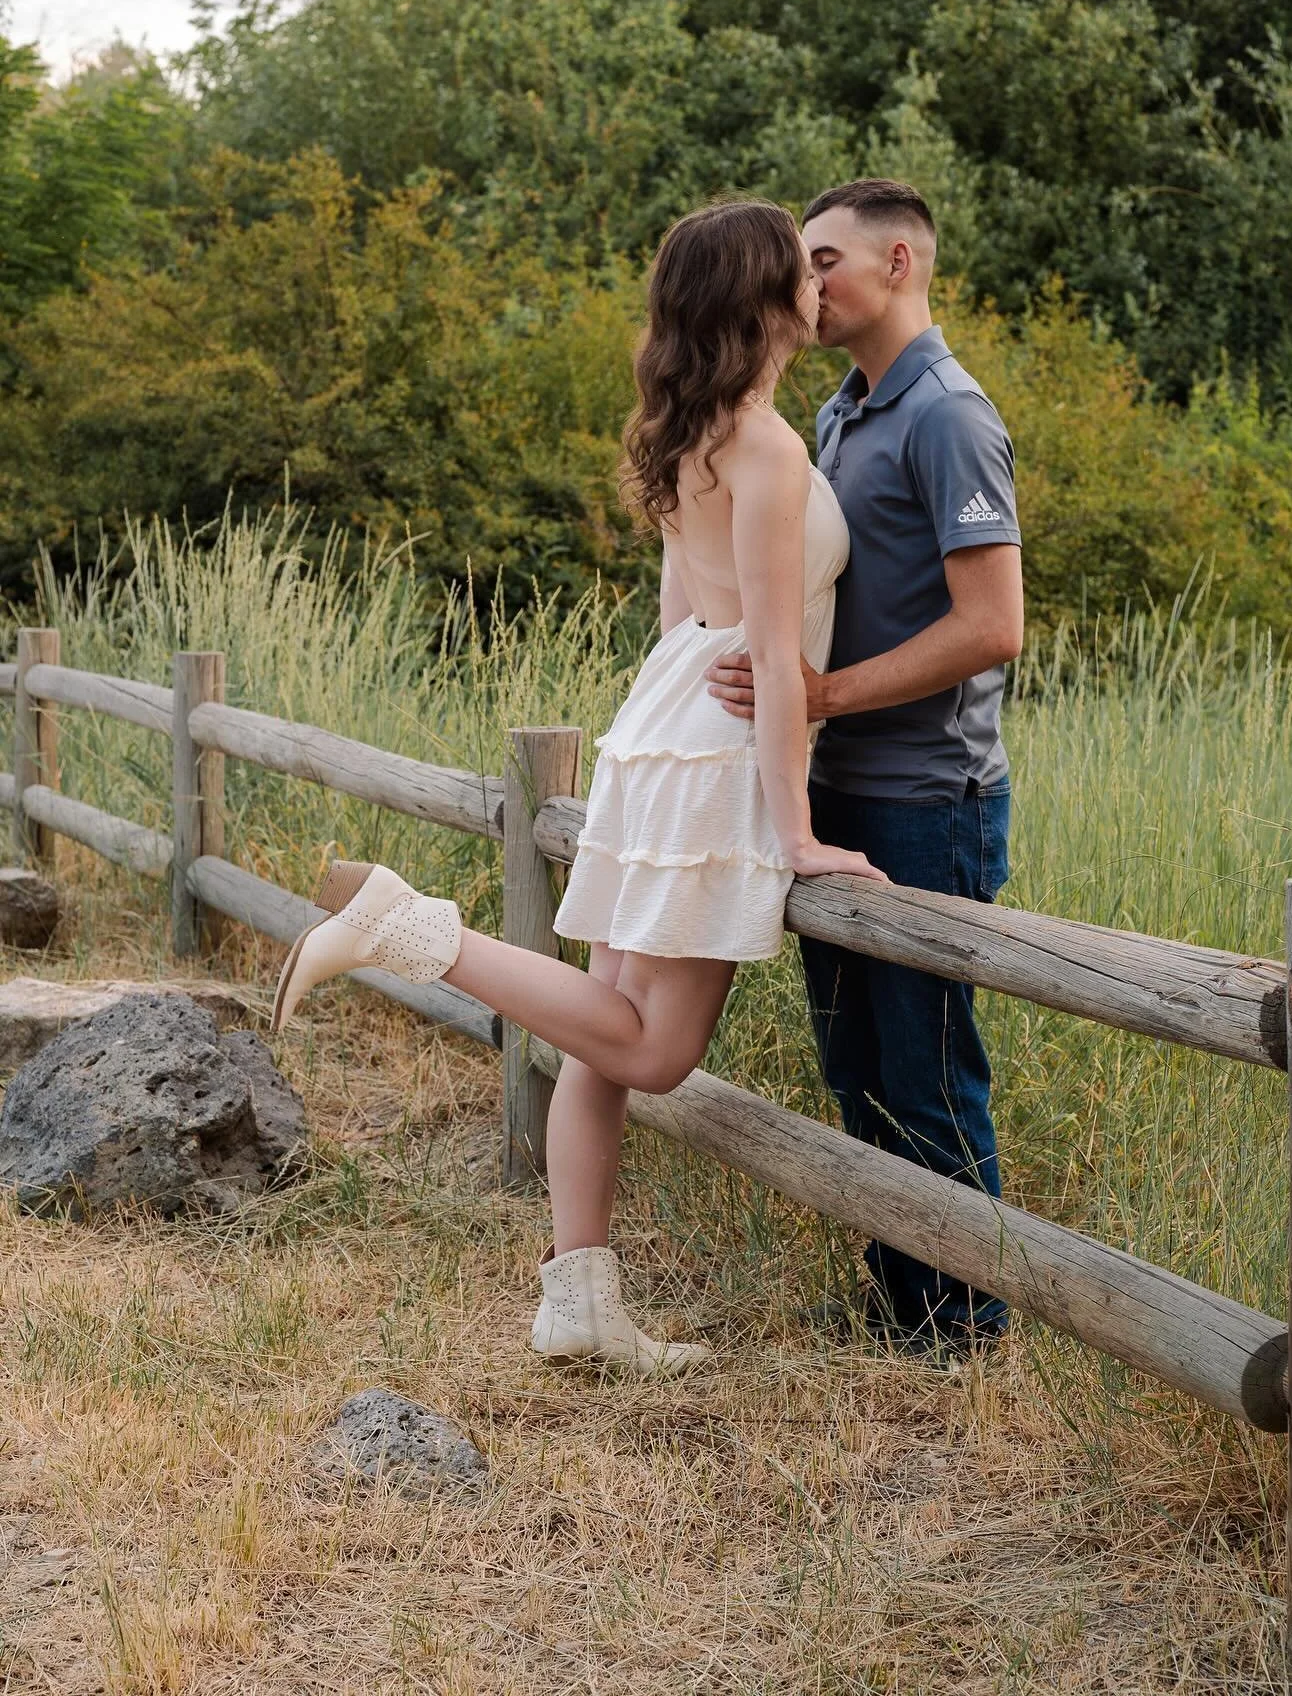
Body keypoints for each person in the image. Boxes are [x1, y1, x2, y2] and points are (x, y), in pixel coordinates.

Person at [270, 198, 885, 1373]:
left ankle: (579, 1305)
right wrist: (797, 831)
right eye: (797, 270)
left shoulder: (689, 433)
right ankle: (410, 928)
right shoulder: (766, 447)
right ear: (762, 301)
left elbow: (677, 618)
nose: (817, 283)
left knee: (603, 1048)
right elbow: (763, 648)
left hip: (664, 715)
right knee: (653, 1054)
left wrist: (654, 739)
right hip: (713, 736)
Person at [704, 179, 1024, 1357]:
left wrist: (823, 691)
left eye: (826, 258)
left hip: (930, 798)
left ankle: (968, 1326)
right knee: (858, 1066)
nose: (808, 282)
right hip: (837, 790)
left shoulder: (949, 414)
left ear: (900, 261)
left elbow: (993, 625)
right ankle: (903, 1300)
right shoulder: (839, 411)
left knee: (931, 1066)